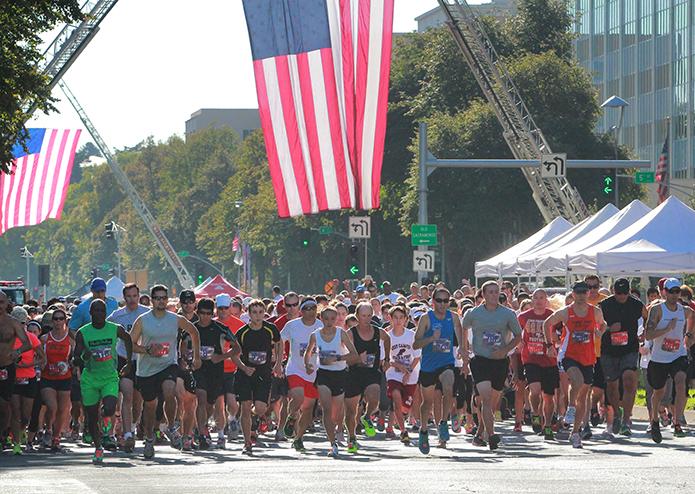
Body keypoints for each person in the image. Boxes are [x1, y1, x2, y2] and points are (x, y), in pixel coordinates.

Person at [129, 285, 201, 459]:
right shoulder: (143, 320)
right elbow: (130, 343)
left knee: (170, 390)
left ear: (167, 300)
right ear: (152, 300)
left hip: (168, 364)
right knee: (151, 405)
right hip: (146, 369)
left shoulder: (175, 319)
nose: (161, 301)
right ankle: (148, 438)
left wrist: (197, 357)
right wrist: (147, 350)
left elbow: (194, 331)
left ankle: (170, 427)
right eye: (157, 298)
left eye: (163, 298)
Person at [544, 281, 606, 449]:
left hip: (588, 356)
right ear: (573, 294)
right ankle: (570, 407)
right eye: (578, 292)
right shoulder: (566, 312)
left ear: (588, 294)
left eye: (584, 292)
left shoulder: (595, 311)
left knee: (584, 395)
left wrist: (600, 331)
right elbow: (547, 324)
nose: (581, 295)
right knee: (577, 381)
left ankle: (576, 432)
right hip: (568, 355)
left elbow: (604, 323)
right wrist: (550, 346)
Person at [462, 281, 521, 450]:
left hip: (500, 361)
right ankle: (492, 435)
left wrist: (505, 349)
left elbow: (518, 336)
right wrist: (464, 349)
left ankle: (480, 432)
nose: (494, 295)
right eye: (491, 292)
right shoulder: (473, 313)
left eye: (497, 292)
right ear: (484, 295)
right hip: (480, 360)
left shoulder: (508, 314)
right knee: (486, 399)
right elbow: (463, 328)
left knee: (493, 402)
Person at [73, 299, 133, 464]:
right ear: (91, 313)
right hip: (90, 379)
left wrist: (128, 362)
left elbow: (128, 339)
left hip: (109, 377)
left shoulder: (114, 329)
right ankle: (98, 448)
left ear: (106, 314)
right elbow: (75, 357)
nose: (99, 314)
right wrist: (85, 356)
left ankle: (105, 415)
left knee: (110, 408)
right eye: (96, 311)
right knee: (91, 417)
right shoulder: (83, 332)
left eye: (102, 311)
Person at [303, 306, 360, 457]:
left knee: (336, 413)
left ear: (336, 319)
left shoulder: (341, 333)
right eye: (326, 319)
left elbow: (354, 355)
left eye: (332, 319)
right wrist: (307, 365)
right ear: (321, 319)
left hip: (340, 375)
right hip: (323, 375)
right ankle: (332, 443)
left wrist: (337, 359)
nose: (329, 322)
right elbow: (308, 352)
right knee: (326, 409)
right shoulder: (315, 335)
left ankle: (340, 431)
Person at [644, 278, 695, 443]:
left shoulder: (684, 311)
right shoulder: (657, 310)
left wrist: (688, 337)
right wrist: (667, 329)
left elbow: (692, 317)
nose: (674, 295)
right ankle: (654, 421)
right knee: (658, 392)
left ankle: (677, 420)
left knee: (681, 380)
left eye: (677, 292)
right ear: (664, 292)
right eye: (671, 291)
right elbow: (648, 335)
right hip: (659, 358)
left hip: (677, 355)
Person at [413, 288, 462, 453]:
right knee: (427, 402)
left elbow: (461, 336)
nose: (442, 304)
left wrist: (463, 350)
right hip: (428, 366)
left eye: (446, 301)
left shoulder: (453, 317)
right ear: (432, 301)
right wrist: (431, 338)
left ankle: (443, 422)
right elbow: (415, 344)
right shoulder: (426, 319)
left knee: (448, 386)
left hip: (446, 362)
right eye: (439, 300)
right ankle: (424, 430)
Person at [598, 278, 646, 438]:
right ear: (613, 291)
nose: (622, 296)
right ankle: (617, 415)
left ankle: (626, 420)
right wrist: (610, 328)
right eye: (619, 293)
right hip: (609, 350)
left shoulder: (637, 304)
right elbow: (595, 326)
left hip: (629, 348)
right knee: (612, 386)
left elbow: (648, 317)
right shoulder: (604, 305)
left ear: (629, 291)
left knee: (629, 380)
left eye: (625, 293)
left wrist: (645, 332)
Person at [233, 299, 283, 455]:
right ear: (248, 314)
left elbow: (279, 343)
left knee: (261, 408)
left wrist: (278, 363)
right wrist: (243, 367)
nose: (258, 315)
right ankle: (247, 442)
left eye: (261, 312)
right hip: (245, 374)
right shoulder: (242, 332)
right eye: (254, 312)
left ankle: (257, 416)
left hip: (263, 374)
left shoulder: (270, 329)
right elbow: (233, 354)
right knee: (245, 407)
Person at [107, 283, 149, 452]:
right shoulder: (117, 316)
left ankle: (132, 424)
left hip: (142, 360)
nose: (132, 299)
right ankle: (127, 434)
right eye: (128, 296)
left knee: (138, 402)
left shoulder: (147, 313)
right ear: (124, 298)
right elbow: (105, 329)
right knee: (127, 396)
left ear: (139, 296)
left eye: (134, 296)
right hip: (124, 359)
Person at [344, 302, 391, 453]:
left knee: (374, 396)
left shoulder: (378, 332)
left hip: (371, 372)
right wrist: (358, 358)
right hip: (354, 373)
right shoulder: (350, 334)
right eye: (363, 316)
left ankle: (367, 416)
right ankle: (351, 438)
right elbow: (345, 359)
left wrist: (387, 358)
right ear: (357, 316)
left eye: (369, 315)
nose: (366, 319)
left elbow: (388, 339)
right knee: (351, 411)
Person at [193, 298, 240, 449]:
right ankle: (202, 433)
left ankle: (207, 427)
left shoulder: (221, 328)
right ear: (197, 312)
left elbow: (237, 348)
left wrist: (221, 356)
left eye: (208, 313)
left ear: (211, 313)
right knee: (201, 398)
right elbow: (183, 345)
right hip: (199, 370)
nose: (205, 316)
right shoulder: (192, 329)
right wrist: (190, 358)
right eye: (201, 313)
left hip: (216, 372)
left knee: (212, 405)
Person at [281, 298, 322, 453]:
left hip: (314, 371)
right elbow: (279, 340)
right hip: (295, 369)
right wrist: (278, 360)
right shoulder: (292, 325)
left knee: (308, 408)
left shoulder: (321, 326)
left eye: (313, 308)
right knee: (298, 397)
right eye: (307, 308)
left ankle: (298, 438)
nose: (310, 311)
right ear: (301, 310)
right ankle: (291, 417)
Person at [517, 289, 556, 440]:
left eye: (542, 298)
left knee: (548, 396)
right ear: (532, 300)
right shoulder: (523, 317)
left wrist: (554, 341)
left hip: (549, 360)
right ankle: (535, 413)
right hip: (531, 359)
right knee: (535, 390)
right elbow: (515, 333)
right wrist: (518, 342)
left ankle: (547, 426)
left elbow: (561, 334)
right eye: (536, 298)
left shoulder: (553, 316)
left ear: (546, 300)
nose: (539, 300)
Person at [9, 306, 45, 454]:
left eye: (23, 323)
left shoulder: (31, 338)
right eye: (18, 323)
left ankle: (22, 431)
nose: (21, 326)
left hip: (29, 378)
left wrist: (29, 364)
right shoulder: (8, 338)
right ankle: (16, 444)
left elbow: (42, 358)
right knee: (15, 412)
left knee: (25, 415)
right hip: (13, 379)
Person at [40, 308, 74, 452]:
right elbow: (39, 357)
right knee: (52, 406)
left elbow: (75, 357)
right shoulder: (44, 338)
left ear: (65, 320)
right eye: (56, 319)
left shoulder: (70, 339)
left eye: (61, 318)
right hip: (47, 377)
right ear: (52, 321)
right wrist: (42, 364)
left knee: (62, 409)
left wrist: (70, 364)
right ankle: (48, 429)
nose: (59, 321)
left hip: (65, 378)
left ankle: (56, 437)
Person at [385, 305, 421, 445]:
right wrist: (399, 366)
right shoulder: (387, 337)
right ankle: (403, 431)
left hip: (411, 374)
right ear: (390, 319)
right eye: (395, 317)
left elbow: (417, 357)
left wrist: (408, 372)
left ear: (406, 319)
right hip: (393, 373)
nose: (398, 320)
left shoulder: (411, 335)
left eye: (401, 318)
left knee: (405, 406)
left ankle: (403, 416)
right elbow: (386, 359)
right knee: (396, 397)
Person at [214, 293, 245, 443]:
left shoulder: (239, 325)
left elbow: (242, 347)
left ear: (230, 308)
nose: (223, 311)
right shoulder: (212, 324)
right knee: (219, 403)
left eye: (226, 308)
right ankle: (220, 434)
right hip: (216, 370)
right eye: (220, 308)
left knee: (232, 402)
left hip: (233, 369)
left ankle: (232, 419)